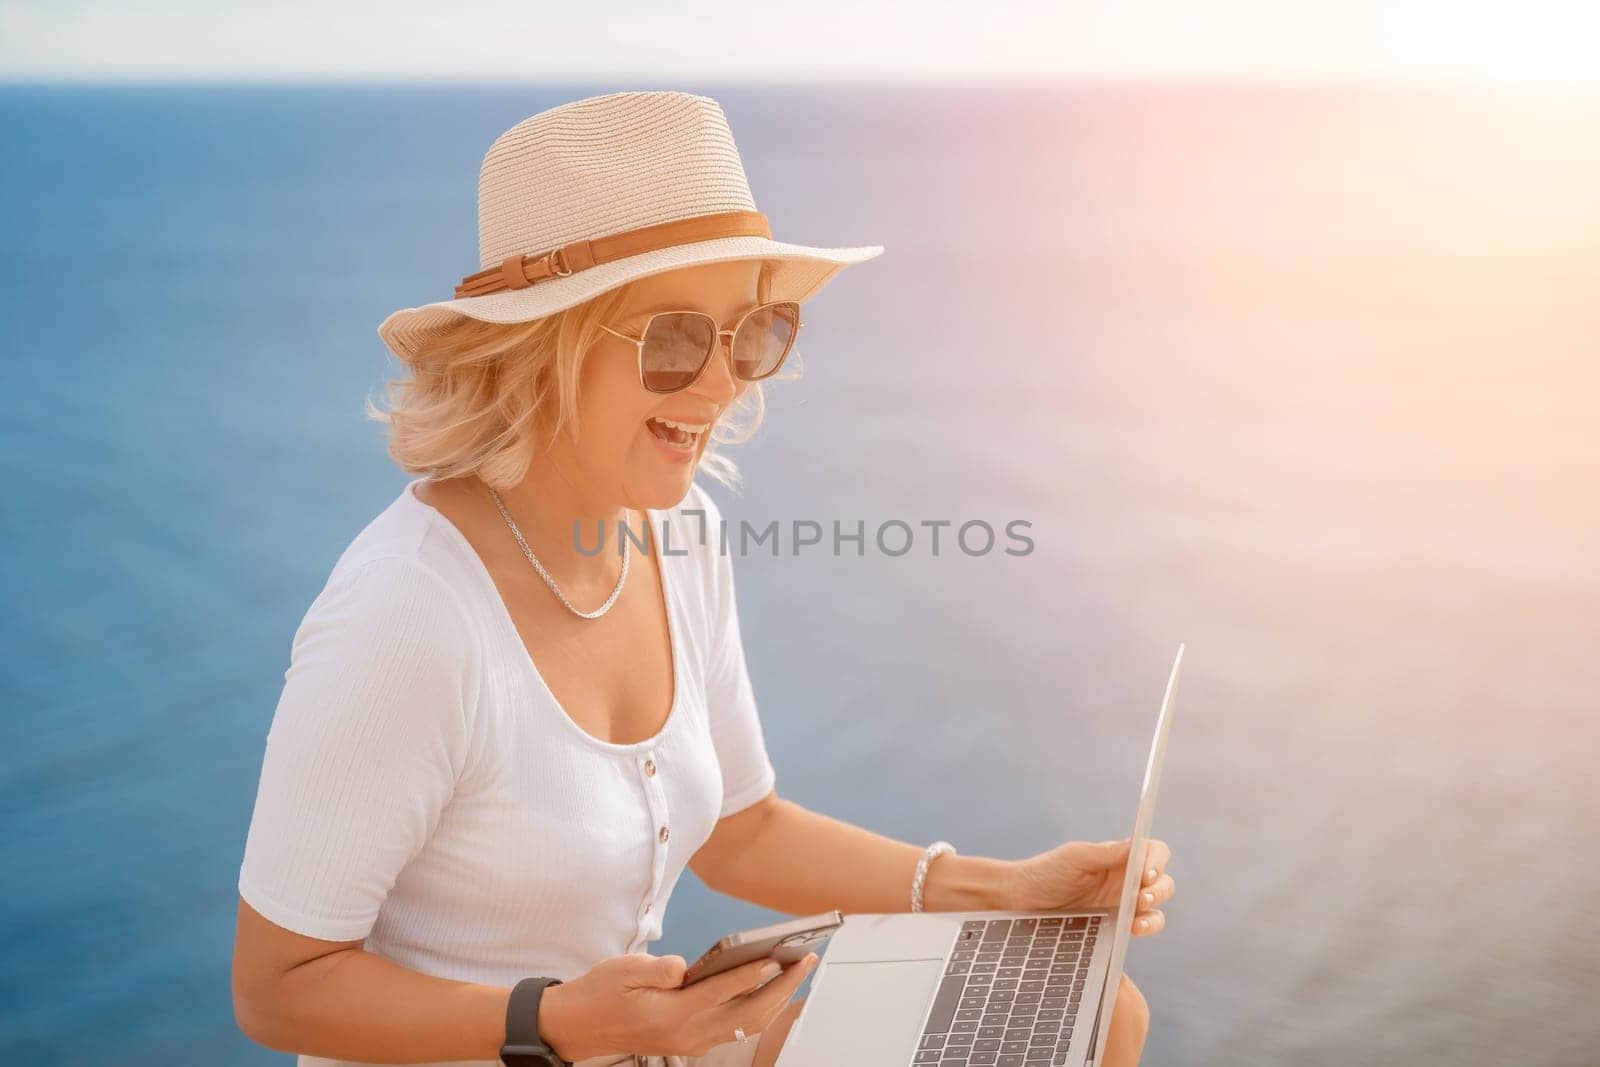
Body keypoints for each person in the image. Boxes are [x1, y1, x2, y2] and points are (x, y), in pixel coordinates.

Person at [231, 90, 1175, 1067]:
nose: (725, 382)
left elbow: (739, 827)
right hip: (532, 1046)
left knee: (1100, 1013)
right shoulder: (406, 614)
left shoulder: (679, 533)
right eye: (677, 340)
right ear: (543, 349)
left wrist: (1002, 889)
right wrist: (551, 1019)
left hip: (633, 1045)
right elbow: (276, 987)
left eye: (753, 331)